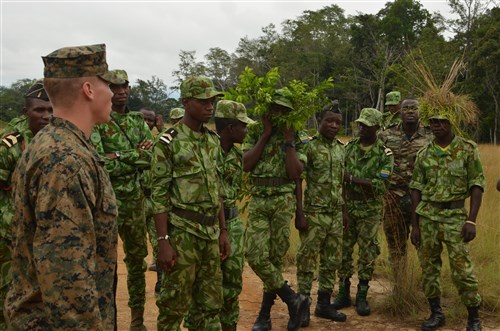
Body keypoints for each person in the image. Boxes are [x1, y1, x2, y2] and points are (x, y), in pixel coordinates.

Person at [5, 43, 118, 329]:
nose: (113, 93)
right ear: (89, 89)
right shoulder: (65, 160)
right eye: (108, 83)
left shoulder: (55, 144)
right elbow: (67, 277)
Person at [151, 76, 230, 331]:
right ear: (186, 102)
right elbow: (159, 195)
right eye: (203, 101)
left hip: (210, 235)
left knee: (210, 306)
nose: (210, 106)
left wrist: (223, 231)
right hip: (183, 233)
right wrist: (163, 242)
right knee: (174, 306)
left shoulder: (212, 141)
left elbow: (217, 190)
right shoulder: (168, 142)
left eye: (213, 101)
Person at [410, 114, 485, 331]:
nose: (438, 126)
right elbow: (416, 188)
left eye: (442, 121)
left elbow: (477, 184)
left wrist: (471, 220)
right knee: (429, 269)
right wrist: (415, 225)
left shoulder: (467, 149)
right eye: (433, 122)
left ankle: (474, 318)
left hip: (455, 218)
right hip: (428, 218)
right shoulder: (423, 153)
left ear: (452, 122)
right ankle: (436, 314)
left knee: (462, 270)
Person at [91, 69, 153, 330]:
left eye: (125, 86)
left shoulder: (139, 121)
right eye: (115, 87)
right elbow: (99, 163)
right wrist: (133, 155)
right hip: (106, 203)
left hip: (135, 203)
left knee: (136, 263)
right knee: (104, 265)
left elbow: (151, 157)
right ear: (106, 90)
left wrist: (119, 155)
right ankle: (107, 322)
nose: (121, 92)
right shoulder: (97, 121)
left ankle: (137, 321)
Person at [243, 89, 309, 331]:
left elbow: (295, 173)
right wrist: (266, 134)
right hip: (259, 199)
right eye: (275, 109)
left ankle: (264, 315)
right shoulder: (254, 132)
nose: (278, 114)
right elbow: (246, 165)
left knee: (273, 260)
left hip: (282, 200)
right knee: (255, 255)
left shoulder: (298, 138)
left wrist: (289, 140)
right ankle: (293, 298)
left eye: (284, 111)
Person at [0, 81, 52, 329]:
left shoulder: (55, 141)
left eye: (51, 110)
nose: (46, 116)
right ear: (26, 113)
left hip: (42, 234)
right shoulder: (10, 146)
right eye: (39, 110)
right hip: (8, 235)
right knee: (7, 292)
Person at [333, 108, 393, 316]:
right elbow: (340, 179)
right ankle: (342, 292)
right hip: (349, 206)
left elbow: (380, 186)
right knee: (344, 251)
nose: (361, 128)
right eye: (360, 124)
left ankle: (362, 295)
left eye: (367, 125)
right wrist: (343, 209)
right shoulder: (349, 148)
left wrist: (353, 179)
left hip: (370, 209)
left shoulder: (384, 154)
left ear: (377, 127)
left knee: (367, 253)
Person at [295, 106, 348, 326]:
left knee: (331, 260)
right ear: (319, 120)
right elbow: (298, 179)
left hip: (335, 214)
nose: (334, 126)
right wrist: (299, 212)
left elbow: (342, 183)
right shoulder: (309, 147)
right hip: (314, 213)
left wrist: (344, 212)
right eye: (329, 121)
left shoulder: (340, 149)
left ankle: (324, 305)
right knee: (307, 260)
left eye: (338, 122)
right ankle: (303, 305)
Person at [379, 99, 432, 279]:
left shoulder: (430, 134)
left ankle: (428, 289)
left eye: (414, 108)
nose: (410, 112)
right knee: (396, 246)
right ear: (399, 112)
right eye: (406, 109)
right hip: (394, 197)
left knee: (425, 246)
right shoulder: (387, 135)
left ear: (420, 112)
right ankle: (400, 287)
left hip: (424, 200)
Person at [213, 100, 254, 331]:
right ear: (230, 128)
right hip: (215, 227)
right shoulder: (209, 152)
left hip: (234, 223)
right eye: (243, 126)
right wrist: (223, 230)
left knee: (233, 283)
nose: (246, 131)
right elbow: (215, 194)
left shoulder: (236, 155)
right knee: (209, 287)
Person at [138, 107, 163, 295]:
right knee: (137, 246)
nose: (147, 123)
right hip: (136, 201)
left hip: (153, 199)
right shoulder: (130, 141)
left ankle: (161, 282)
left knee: (159, 242)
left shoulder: (158, 143)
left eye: (150, 120)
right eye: (143, 120)